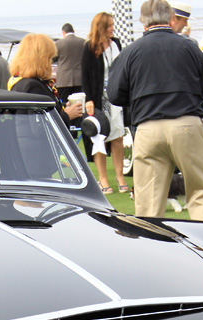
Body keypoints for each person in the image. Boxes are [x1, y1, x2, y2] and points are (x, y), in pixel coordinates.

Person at [108, 0, 203, 221]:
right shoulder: (188, 46)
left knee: (148, 201)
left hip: (148, 127)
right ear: (170, 17)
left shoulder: (131, 51)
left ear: (143, 20)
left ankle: (153, 250)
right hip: (186, 123)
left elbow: (114, 94)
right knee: (201, 192)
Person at [81, 12, 128, 194]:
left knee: (118, 136)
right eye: (109, 26)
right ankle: (102, 178)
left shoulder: (115, 43)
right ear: (101, 27)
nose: (112, 28)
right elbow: (85, 75)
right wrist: (89, 99)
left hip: (115, 96)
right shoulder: (90, 47)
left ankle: (120, 176)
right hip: (98, 97)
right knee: (99, 137)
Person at [8, 33, 83, 127]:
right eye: (49, 58)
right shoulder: (33, 87)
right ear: (40, 60)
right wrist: (67, 116)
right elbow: (40, 126)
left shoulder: (19, 82)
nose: (51, 63)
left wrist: (63, 107)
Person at [55, 23, 86, 104]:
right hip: (80, 79)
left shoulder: (58, 44)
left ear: (63, 32)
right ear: (73, 31)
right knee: (79, 104)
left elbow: (52, 59)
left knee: (64, 104)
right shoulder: (83, 42)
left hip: (64, 80)